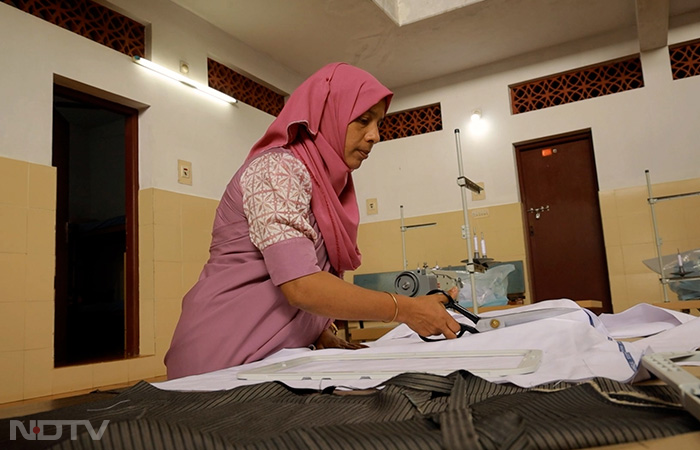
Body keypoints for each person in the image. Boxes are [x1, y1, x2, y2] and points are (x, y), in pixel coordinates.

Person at [165, 62, 461, 380]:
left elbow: (306, 276)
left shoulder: (331, 186)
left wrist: (320, 334)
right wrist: (405, 309)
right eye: (363, 120)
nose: (374, 136)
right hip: (222, 360)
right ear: (325, 116)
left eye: (378, 123)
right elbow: (301, 284)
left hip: (274, 361)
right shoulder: (277, 170)